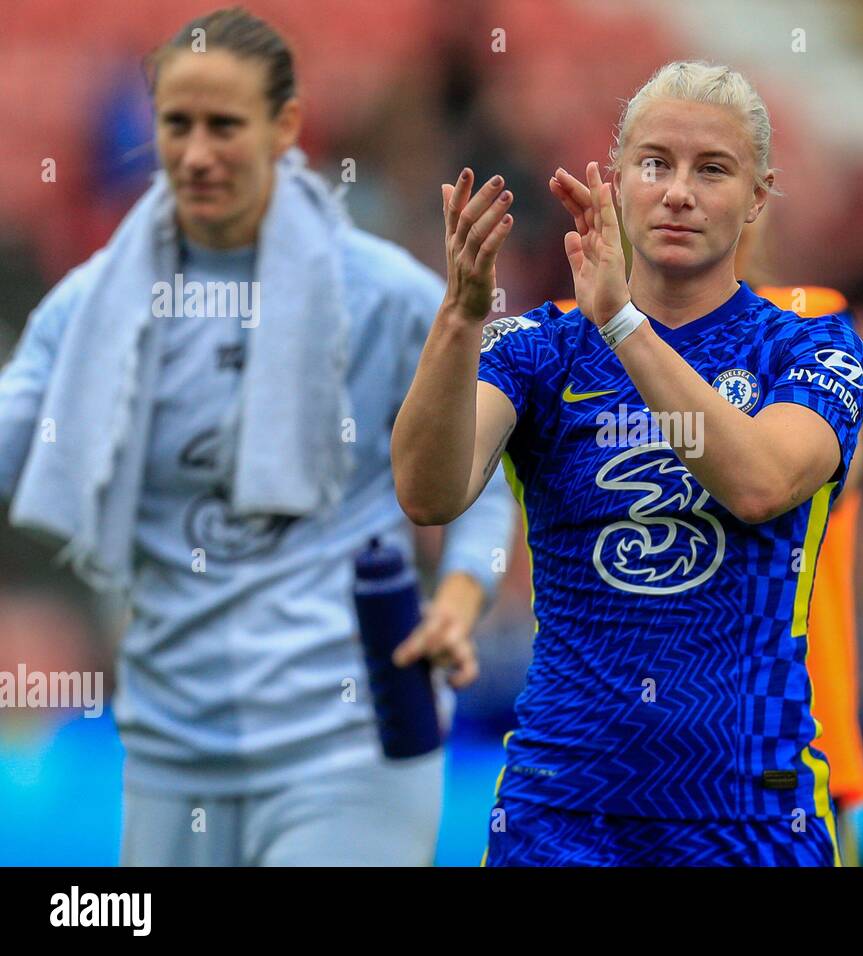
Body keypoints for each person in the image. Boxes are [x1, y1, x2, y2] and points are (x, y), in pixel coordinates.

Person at [0, 7, 514, 866]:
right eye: (177, 125)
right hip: (173, 739)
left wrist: (460, 600)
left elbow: (481, 487)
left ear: (285, 127)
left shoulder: (384, 297)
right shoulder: (95, 303)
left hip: (349, 733)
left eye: (224, 126)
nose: (197, 153)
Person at [393, 60, 863, 866]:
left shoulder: (810, 345)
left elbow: (757, 484)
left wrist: (622, 324)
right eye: (655, 163)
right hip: (562, 807)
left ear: (757, 196)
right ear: (616, 181)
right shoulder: (537, 351)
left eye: (712, 169)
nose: (678, 190)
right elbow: (427, 491)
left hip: (749, 809)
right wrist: (458, 318)